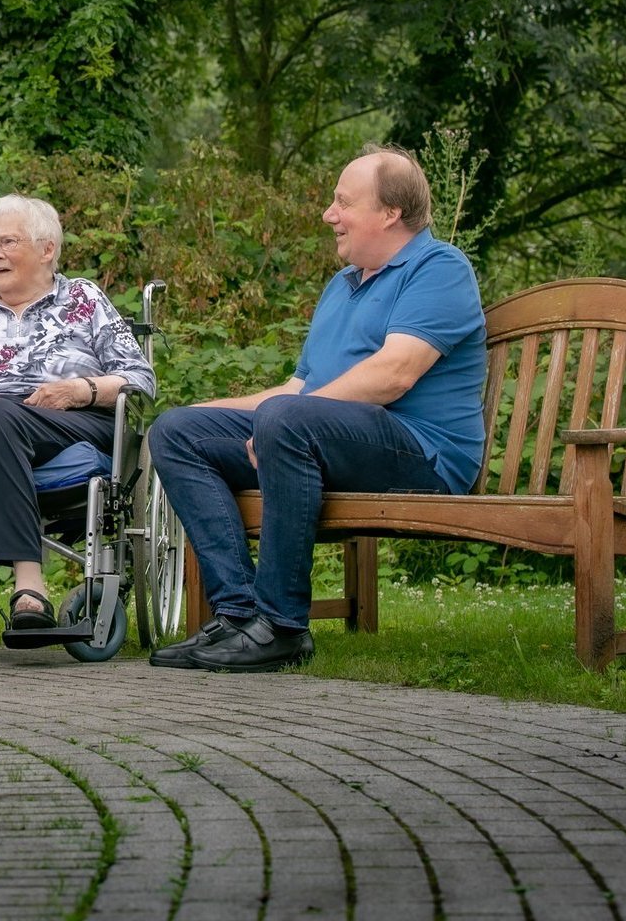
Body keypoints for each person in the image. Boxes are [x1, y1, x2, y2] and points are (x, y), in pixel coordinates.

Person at [148, 145, 487, 672]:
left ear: (390, 213)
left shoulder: (439, 268)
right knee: (177, 430)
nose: (330, 215)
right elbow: (297, 388)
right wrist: (209, 409)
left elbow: (393, 375)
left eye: (342, 202)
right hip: (327, 438)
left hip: (423, 455)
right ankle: (239, 616)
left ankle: (282, 626)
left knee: (285, 417)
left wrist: (280, 418)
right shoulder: (343, 284)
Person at [0, 195, 156, 631]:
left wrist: (82, 389)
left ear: (46, 249)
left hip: (68, 419)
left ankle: (29, 585)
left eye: (8, 242)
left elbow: (139, 378)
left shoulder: (83, 297)